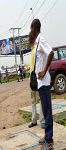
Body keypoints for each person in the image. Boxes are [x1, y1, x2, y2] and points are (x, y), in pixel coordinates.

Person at [30, 19, 54, 150]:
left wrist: (44, 71)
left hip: (44, 83)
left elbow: (51, 52)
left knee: (47, 111)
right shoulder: (38, 40)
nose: (30, 31)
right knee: (45, 111)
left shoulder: (42, 39)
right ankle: (47, 137)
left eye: (30, 28)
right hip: (40, 83)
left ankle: (49, 141)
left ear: (34, 28)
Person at [28, 32, 45, 129]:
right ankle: (34, 120)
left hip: (38, 77)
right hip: (32, 78)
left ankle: (42, 120)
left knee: (40, 99)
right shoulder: (32, 49)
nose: (29, 41)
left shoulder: (37, 48)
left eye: (29, 39)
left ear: (32, 38)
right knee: (33, 100)